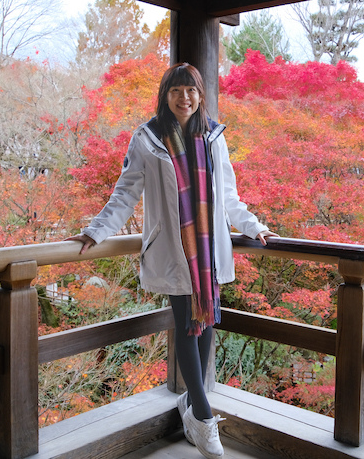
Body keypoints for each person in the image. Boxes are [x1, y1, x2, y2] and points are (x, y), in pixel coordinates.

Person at [67, 63, 277, 459]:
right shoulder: (147, 139)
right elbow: (125, 193)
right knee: (186, 324)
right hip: (175, 248)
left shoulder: (214, 137)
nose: (185, 98)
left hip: (208, 248)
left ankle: (192, 411)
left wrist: (253, 226)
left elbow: (229, 195)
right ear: (165, 95)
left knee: (206, 323)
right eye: (177, 91)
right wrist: (96, 230)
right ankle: (202, 417)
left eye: (192, 91)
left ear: (201, 96)